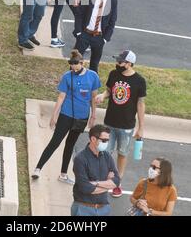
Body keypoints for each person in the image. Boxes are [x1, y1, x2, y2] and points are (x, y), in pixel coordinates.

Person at [32, 50, 101, 184]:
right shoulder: (67, 76)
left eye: (75, 65)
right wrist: (54, 115)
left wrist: (93, 115)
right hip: (66, 115)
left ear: (82, 63)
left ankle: (63, 174)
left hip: (81, 117)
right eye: (71, 65)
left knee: (70, 145)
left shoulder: (93, 76)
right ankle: (38, 168)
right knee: (55, 142)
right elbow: (61, 96)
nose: (73, 68)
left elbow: (93, 97)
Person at [96, 50, 147, 198]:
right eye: (117, 61)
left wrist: (141, 127)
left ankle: (117, 182)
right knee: (105, 152)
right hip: (109, 122)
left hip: (126, 126)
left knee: (122, 154)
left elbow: (140, 104)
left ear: (129, 63)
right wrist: (102, 95)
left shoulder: (139, 81)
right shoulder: (114, 74)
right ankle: (106, 180)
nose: (117, 64)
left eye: (120, 62)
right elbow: (109, 91)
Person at [71, 124, 120, 216]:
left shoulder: (107, 157)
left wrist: (96, 183)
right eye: (104, 140)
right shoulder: (80, 159)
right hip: (83, 209)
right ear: (93, 139)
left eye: (107, 140)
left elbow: (117, 181)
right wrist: (108, 184)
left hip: (104, 209)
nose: (106, 143)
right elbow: (86, 188)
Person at [75, 0, 117, 73]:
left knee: (94, 64)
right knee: (76, 61)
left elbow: (112, 21)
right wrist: (78, 32)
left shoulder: (113, 1)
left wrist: (105, 39)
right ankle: (72, 82)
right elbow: (79, 14)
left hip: (99, 37)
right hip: (84, 34)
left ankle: (92, 85)